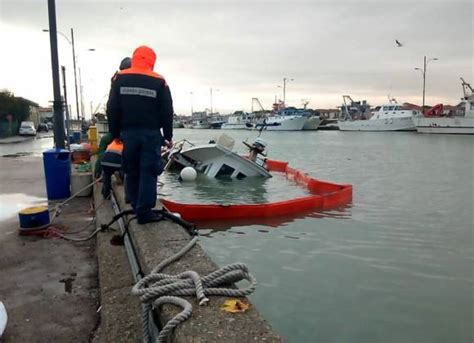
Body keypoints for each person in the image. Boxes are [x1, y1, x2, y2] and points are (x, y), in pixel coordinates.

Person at [106, 45, 173, 224]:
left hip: (128, 132)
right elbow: (167, 110)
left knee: (132, 169)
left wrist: (115, 133)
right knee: (149, 170)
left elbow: (112, 108)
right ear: (152, 60)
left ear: (135, 58)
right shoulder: (159, 81)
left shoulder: (119, 78)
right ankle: (145, 212)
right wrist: (168, 135)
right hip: (150, 133)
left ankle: (136, 205)